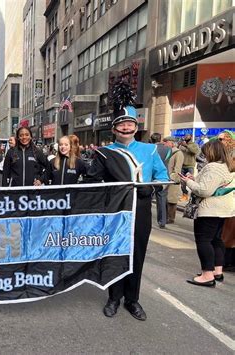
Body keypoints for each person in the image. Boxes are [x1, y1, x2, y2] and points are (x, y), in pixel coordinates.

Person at [86, 80, 168, 321]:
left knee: (137, 254)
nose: (126, 127)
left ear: (136, 126)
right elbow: (92, 182)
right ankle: (114, 297)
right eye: (121, 124)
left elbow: (162, 177)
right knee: (115, 253)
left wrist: (150, 187)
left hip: (141, 209)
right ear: (114, 128)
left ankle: (132, 300)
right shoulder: (104, 152)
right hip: (116, 210)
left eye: (130, 123)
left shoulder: (151, 150)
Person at [180, 140, 235, 287]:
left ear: (211, 152)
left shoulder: (213, 167)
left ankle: (207, 275)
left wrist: (188, 182)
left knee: (204, 241)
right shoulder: (227, 166)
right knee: (216, 240)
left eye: (205, 153)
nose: (203, 156)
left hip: (210, 209)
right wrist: (194, 179)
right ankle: (217, 271)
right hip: (223, 209)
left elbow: (204, 190)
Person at [217, 130, 235, 270]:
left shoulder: (232, 155)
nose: (220, 141)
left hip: (231, 195)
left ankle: (227, 261)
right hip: (226, 195)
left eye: (222, 139)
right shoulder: (223, 154)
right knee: (227, 230)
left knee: (229, 230)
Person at [150, 133, 171, 228]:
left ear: (151, 139)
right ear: (160, 139)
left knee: (147, 199)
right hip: (163, 176)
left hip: (150, 176)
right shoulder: (168, 149)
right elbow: (167, 161)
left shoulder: (149, 148)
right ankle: (162, 221)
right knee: (162, 199)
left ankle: (146, 218)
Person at [163, 136, 184, 224]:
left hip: (173, 180)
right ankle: (166, 216)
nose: (164, 144)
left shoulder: (178, 153)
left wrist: (172, 178)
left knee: (172, 199)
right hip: (167, 179)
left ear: (171, 143)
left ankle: (171, 218)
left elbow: (177, 169)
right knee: (167, 199)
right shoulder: (169, 152)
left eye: (166, 142)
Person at [178, 133, 199, 201]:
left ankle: (194, 195)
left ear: (191, 136)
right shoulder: (182, 145)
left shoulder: (194, 145)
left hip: (190, 166)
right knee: (182, 182)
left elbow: (195, 151)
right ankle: (185, 195)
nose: (186, 137)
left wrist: (186, 146)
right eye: (185, 136)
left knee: (191, 181)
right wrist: (179, 145)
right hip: (182, 166)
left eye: (187, 136)